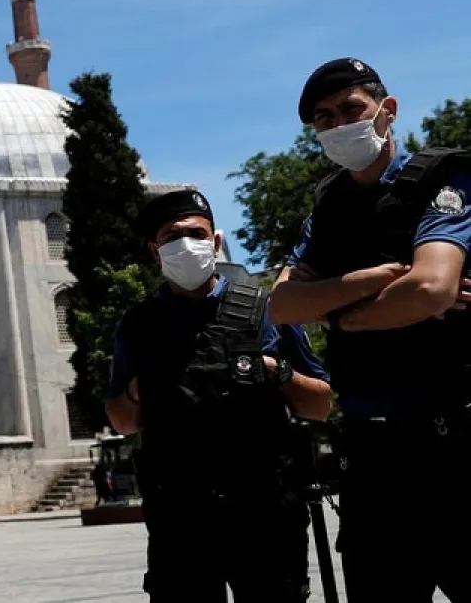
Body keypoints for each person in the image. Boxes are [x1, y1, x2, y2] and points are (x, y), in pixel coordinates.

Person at [269, 58, 471, 601]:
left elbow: (431, 287)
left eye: (350, 109)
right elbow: (284, 306)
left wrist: (335, 309)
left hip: (452, 445)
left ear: (388, 109)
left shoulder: (441, 180)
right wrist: (368, 287)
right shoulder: (327, 207)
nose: (338, 124)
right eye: (323, 117)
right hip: (371, 459)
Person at [105, 189, 333, 601]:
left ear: (215, 242)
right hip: (181, 517)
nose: (186, 244)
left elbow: (321, 404)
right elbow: (122, 421)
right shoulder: (139, 325)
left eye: (196, 233)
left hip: (263, 512)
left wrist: (275, 372)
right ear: (155, 251)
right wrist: (142, 386)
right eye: (172, 237)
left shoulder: (264, 308)